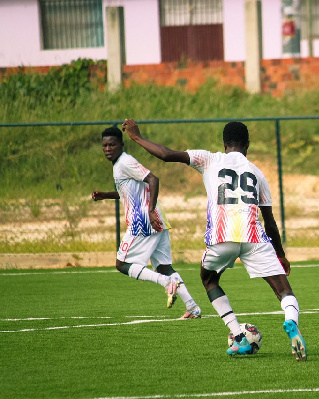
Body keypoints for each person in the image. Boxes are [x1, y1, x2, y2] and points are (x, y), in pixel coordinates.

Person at [122, 119, 307, 361]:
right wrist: (281, 255)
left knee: (209, 279)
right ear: (247, 145)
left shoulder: (209, 158)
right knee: (284, 291)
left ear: (224, 143)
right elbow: (270, 222)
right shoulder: (258, 174)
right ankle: (291, 322)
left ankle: (238, 336)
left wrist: (137, 137)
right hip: (254, 237)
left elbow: (166, 155)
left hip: (222, 237)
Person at [91, 125, 202, 319]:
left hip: (143, 220)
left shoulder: (125, 162)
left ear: (121, 145)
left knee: (122, 264)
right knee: (164, 267)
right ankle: (192, 307)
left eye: (112, 145)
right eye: (105, 146)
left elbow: (153, 179)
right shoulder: (120, 165)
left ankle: (166, 283)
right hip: (156, 218)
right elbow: (130, 190)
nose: (108, 149)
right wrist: (105, 195)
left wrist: (149, 210)